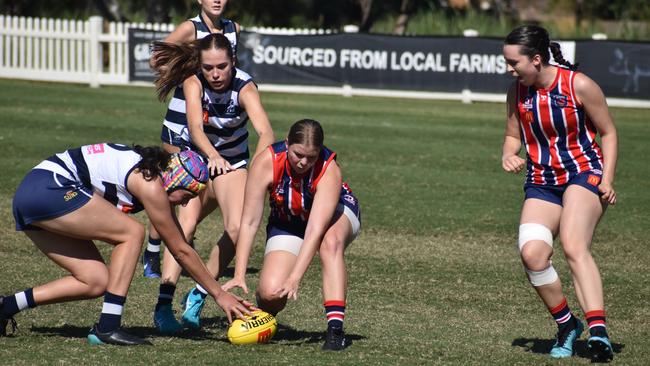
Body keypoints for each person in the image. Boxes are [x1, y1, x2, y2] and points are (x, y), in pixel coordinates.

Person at [0, 143, 253, 345]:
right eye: (187, 195)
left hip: (33, 193)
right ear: (175, 180)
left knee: (96, 280)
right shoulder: (151, 183)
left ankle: (7, 306)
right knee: (132, 232)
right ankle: (108, 326)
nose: (186, 203)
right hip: (49, 188)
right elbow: (180, 249)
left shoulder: (153, 172)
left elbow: (179, 244)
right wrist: (220, 295)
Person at [501, 25, 617, 362]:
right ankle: (567, 325)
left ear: (536, 59)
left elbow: (608, 133)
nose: (509, 69)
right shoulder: (516, 92)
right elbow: (512, 136)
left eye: (513, 62)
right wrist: (508, 154)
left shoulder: (577, 85)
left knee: (573, 243)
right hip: (542, 181)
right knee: (533, 254)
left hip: (585, 173)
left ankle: (598, 333)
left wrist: (607, 179)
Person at [149, 33, 274, 333]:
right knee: (184, 227)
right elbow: (195, 128)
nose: (215, 74)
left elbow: (266, 133)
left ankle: (199, 294)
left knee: (234, 227)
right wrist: (212, 156)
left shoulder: (245, 87)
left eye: (221, 66)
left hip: (233, 165)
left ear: (232, 62)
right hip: (197, 160)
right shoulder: (193, 82)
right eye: (209, 68)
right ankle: (163, 305)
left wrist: (256, 171)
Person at [222, 119, 361, 351]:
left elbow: (315, 230)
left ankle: (335, 331)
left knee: (330, 243)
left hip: (336, 215)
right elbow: (248, 222)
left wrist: (295, 276)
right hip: (288, 220)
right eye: (298, 154)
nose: (304, 162)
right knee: (270, 294)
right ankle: (267, 316)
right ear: (287, 143)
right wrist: (239, 274)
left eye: (312, 157)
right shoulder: (266, 162)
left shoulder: (329, 170)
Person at [143, 0, 240, 278]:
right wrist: (185, 65)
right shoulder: (190, 28)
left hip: (208, 127)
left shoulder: (233, 29)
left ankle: (178, 245)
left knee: (194, 194)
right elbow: (155, 60)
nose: (217, 0)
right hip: (180, 125)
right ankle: (153, 250)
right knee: (173, 194)